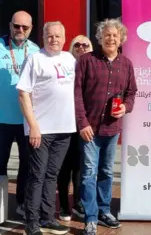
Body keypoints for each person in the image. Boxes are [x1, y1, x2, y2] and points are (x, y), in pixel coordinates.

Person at [74, 18, 137, 235]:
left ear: (121, 40)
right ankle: (90, 217)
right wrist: (82, 123)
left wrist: (126, 108)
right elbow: (77, 95)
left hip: (111, 128)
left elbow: (131, 92)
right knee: (89, 172)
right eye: (107, 35)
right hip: (89, 129)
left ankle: (104, 210)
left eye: (115, 36)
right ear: (100, 38)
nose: (111, 38)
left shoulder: (126, 64)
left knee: (107, 171)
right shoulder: (86, 61)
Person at [0, 10, 39, 218]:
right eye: (16, 26)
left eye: (25, 27)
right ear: (10, 25)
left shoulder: (36, 50)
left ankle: (21, 203)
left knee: (27, 166)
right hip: (0, 119)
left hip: (26, 121)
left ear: (31, 28)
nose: (20, 30)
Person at [17, 21, 76, 235]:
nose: (54, 40)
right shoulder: (35, 59)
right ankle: (31, 222)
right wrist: (33, 126)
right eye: (50, 36)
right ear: (43, 37)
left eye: (58, 36)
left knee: (52, 175)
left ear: (64, 37)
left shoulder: (69, 59)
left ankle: (47, 217)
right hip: (41, 130)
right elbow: (23, 93)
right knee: (37, 175)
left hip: (64, 129)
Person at [58, 35, 93, 221]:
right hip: (65, 124)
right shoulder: (66, 66)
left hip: (85, 125)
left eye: (84, 44)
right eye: (76, 44)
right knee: (64, 168)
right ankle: (64, 206)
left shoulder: (94, 66)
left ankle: (79, 203)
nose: (80, 47)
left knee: (81, 168)